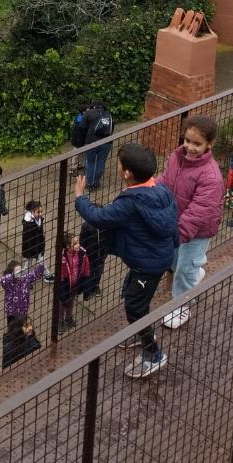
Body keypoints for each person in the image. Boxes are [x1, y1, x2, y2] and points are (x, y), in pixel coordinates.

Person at [75, 143, 179, 378]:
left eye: (119, 164)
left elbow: (98, 217)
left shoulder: (130, 202)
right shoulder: (161, 190)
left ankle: (153, 354)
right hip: (157, 256)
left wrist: (80, 197)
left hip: (148, 264)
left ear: (127, 173)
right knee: (136, 298)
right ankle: (142, 332)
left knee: (135, 307)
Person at [157, 115, 225, 330]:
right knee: (175, 261)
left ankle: (182, 306)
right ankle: (195, 273)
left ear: (209, 144)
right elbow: (165, 181)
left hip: (197, 231)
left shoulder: (211, 176)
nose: (190, 147)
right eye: (187, 141)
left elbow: (198, 211)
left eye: (197, 143)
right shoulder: (176, 157)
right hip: (176, 223)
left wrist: (178, 234)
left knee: (184, 269)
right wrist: (147, 190)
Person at [70, 102, 114, 190]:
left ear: (94, 106)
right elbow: (111, 129)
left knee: (91, 163)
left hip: (92, 142)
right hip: (106, 142)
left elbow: (81, 127)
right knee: (101, 162)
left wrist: (82, 142)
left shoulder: (89, 113)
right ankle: (96, 183)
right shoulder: (108, 115)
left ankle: (90, 184)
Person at [57, 233, 91, 331]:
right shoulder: (63, 257)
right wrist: (61, 284)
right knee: (62, 302)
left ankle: (68, 317)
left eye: (78, 242)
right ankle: (60, 321)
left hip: (76, 283)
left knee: (71, 300)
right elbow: (60, 272)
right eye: (75, 243)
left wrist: (86, 277)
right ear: (68, 246)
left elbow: (86, 265)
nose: (78, 245)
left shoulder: (82, 253)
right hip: (65, 283)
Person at [0, 259, 44, 324]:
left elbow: (36, 275)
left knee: (24, 327)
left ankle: (24, 330)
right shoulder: (9, 283)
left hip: (23, 311)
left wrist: (40, 265)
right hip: (12, 313)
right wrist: (13, 276)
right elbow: (2, 280)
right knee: (13, 328)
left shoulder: (25, 278)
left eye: (20, 270)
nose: (19, 273)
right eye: (17, 271)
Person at [21, 200, 54, 281]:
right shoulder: (28, 225)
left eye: (41, 211)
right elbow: (27, 239)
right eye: (38, 212)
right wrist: (33, 248)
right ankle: (46, 276)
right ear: (31, 212)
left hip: (38, 245)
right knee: (30, 262)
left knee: (38, 261)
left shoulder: (38, 220)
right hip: (31, 247)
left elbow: (40, 234)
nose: (40, 214)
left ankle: (46, 275)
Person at [79, 219, 108, 300]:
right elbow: (82, 241)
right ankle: (87, 291)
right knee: (89, 272)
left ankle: (96, 286)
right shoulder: (86, 226)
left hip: (101, 254)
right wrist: (83, 253)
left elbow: (107, 238)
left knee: (98, 272)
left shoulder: (105, 224)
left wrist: (105, 251)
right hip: (90, 255)